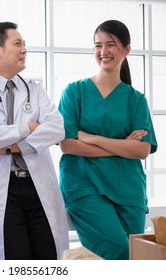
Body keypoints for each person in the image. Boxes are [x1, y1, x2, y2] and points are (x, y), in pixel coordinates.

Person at [0, 21, 69, 260]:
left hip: (36, 185)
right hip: (1, 190)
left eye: (24, 44)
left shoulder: (34, 89)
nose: (24, 50)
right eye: (18, 44)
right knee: (14, 258)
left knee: (48, 254)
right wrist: (29, 127)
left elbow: (57, 128)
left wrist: (12, 146)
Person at [58, 20, 158, 260]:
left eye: (111, 44)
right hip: (85, 185)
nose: (103, 51)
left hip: (129, 189)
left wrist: (91, 138)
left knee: (137, 255)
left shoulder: (136, 100)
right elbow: (68, 144)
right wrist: (123, 146)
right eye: (98, 45)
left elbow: (142, 149)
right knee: (120, 251)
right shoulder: (75, 92)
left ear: (126, 50)